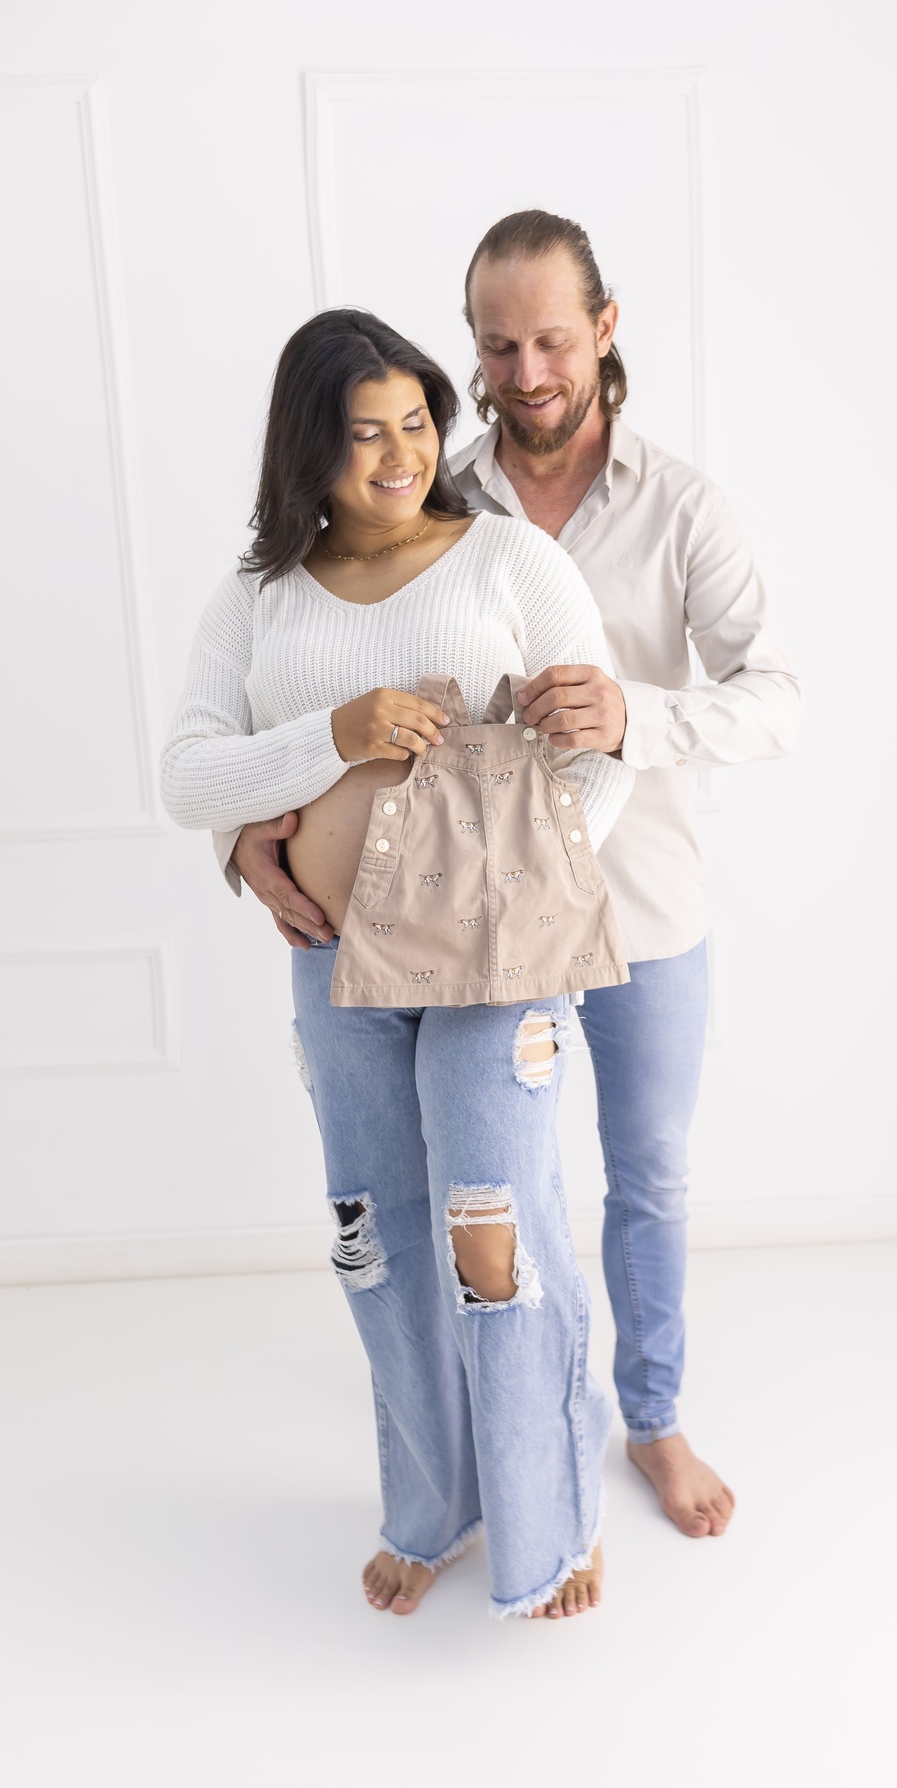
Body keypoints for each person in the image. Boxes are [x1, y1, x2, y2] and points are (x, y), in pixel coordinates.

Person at [225, 211, 801, 1541]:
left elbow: (777, 699)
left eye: (553, 338)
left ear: (605, 330)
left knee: (644, 1173)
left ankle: (649, 1422)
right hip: (456, 938)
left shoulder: (683, 506)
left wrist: (632, 719)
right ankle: (494, 1437)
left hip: (641, 905)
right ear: (471, 352)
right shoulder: (429, 492)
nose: (528, 369)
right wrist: (251, 827)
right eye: (499, 344)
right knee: (482, 1187)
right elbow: (296, 669)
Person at [162, 308, 633, 1620]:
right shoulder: (256, 597)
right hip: (336, 975)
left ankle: (553, 1517)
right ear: (306, 447)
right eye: (361, 432)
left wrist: (526, 895)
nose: (395, 455)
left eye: (416, 423)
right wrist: (335, 733)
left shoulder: (502, 558)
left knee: (494, 1226)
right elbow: (189, 773)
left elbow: (600, 754)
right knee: (379, 1246)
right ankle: (431, 1507)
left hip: (499, 970)